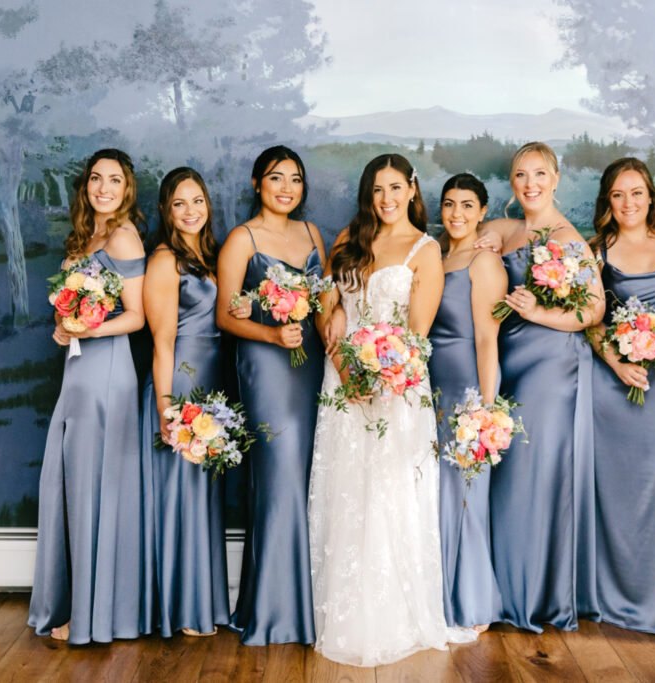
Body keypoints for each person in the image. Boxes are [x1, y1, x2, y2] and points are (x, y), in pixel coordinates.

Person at [307, 153, 476, 666]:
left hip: (396, 388)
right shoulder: (347, 240)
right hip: (342, 384)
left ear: (411, 189)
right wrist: (342, 360)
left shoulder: (425, 251)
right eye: (377, 189)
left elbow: (416, 338)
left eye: (395, 187)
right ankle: (344, 615)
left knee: (390, 491)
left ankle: (398, 616)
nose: (386, 199)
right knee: (346, 490)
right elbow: (324, 309)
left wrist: (377, 376)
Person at [474, 141, 604, 631]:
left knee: (533, 479)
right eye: (521, 176)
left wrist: (539, 312)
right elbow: (486, 230)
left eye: (539, 175)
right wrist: (483, 238)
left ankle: (532, 597)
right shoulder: (511, 229)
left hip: (552, 366)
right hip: (513, 362)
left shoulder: (568, 239)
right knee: (510, 477)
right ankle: (505, 588)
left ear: (555, 180)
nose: (530, 184)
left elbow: (594, 310)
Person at [28, 148, 149, 644]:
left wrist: (86, 327)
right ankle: (78, 604)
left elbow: (136, 316)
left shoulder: (123, 235)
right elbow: (74, 308)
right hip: (77, 371)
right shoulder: (85, 236)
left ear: (126, 189)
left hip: (106, 373)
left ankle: (92, 615)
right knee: (73, 484)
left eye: (114, 180)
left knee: (95, 488)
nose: (103, 188)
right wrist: (64, 326)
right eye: (96, 178)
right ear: (86, 186)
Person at [216, 146, 327, 645]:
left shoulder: (311, 235)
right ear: (258, 183)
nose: (287, 187)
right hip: (265, 364)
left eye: (296, 179)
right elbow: (225, 316)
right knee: (279, 474)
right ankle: (274, 609)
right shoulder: (242, 239)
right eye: (277, 178)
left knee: (308, 475)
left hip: (310, 365)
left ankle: (308, 604)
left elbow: (324, 299)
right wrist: (270, 334)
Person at [587, 158, 655, 635]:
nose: (628, 203)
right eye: (618, 194)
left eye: (636, 193)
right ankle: (612, 588)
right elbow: (589, 320)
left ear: (651, 196)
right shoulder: (595, 250)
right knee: (619, 490)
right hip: (618, 382)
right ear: (607, 202)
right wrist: (615, 359)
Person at [140, 167, 229, 638]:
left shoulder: (210, 255)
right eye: (180, 204)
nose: (191, 211)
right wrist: (166, 408)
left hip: (212, 387)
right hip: (180, 383)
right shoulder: (164, 260)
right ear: (166, 210)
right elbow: (163, 343)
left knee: (202, 495)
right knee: (180, 493)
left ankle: (206, 603)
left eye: (197, 201)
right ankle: (181, 609)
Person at [430, 173, 507, 631]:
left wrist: (485, 410)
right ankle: (437, 598)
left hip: (465, 388)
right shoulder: (437, 254)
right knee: (437, 496)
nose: (456, 214)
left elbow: (486, 339)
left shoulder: (483, 262)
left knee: (465, 495)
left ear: (482, 211)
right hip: (429, 387)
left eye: (466, 205)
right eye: (449, 204)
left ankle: (471, 603)